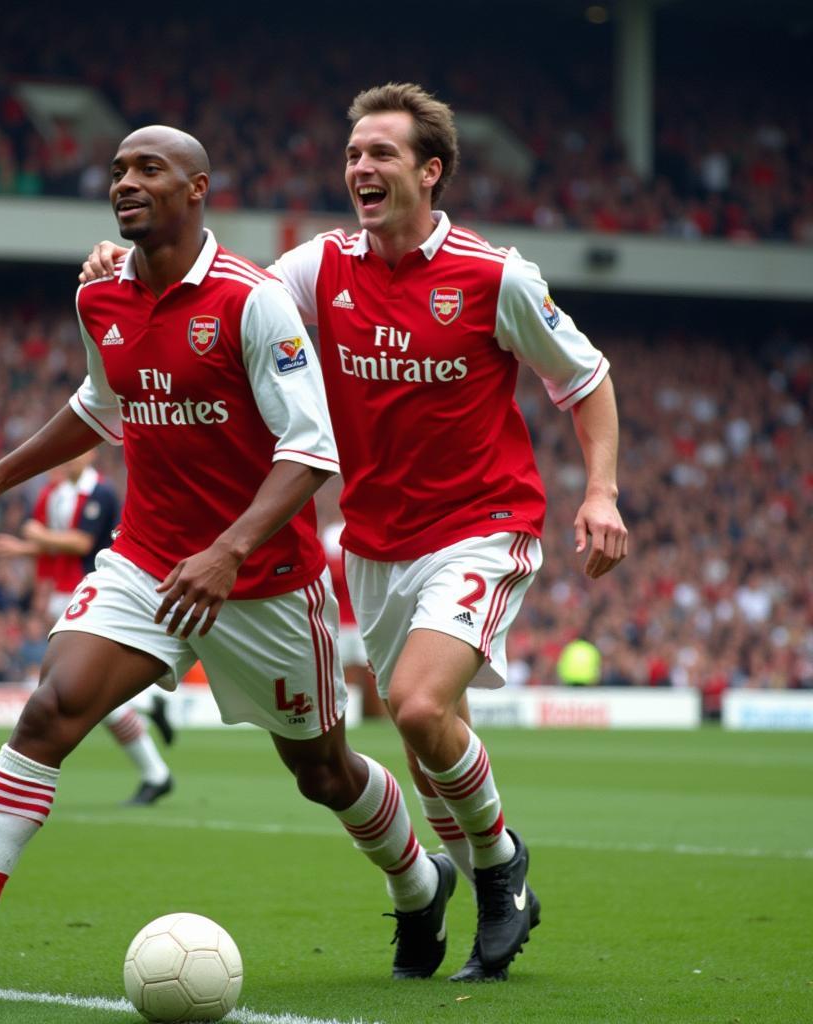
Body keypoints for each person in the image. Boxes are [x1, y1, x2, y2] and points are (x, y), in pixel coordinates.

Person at [0, 125, 457, 999]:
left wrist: (227, 551)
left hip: (263, 583)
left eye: (150, 168)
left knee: (321, 771)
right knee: (51, 710)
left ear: (198, 189)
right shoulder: (100, 296)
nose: (126, 183)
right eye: (117, 171)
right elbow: (98, 405)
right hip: (148, 563)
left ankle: (421, 883)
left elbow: (312, 450)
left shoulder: (254, 302)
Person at [82, 82, 628, 982]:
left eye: (381, 153)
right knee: (423, 735)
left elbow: (587, 379)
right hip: (373, 545)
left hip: (483, 526)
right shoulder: (316, 269)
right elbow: (220, 282)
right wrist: (131, 259)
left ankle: (499, 868)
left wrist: (600, 492)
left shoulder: (496, 277)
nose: (360, 168)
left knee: (416, 704)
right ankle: (465, 879)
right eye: (352, 155)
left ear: (431, 170)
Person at [0, 450, 176, 805]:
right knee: (88, 691)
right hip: (64, 593)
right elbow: (42, 534)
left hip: (97, 590)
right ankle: (152, 712)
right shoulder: (55, 492)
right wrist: (29, 548)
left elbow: (81, 544)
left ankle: (157, 770)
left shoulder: (101, 493)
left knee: (85, 690)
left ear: (90, 454)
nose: (68, 459)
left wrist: (41, 540)